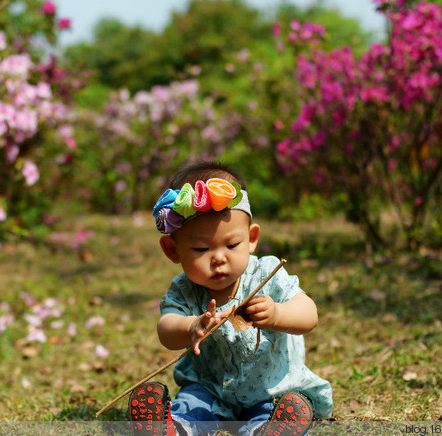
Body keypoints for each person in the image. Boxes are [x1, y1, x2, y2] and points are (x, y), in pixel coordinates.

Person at [129, 162, 333, 436]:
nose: (219, 258)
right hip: (209, 387)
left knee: (270, 412)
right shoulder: (184, 289)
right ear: (172, 250)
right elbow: (166, 328)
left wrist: (277, 315)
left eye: (232, 245)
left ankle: (271, 429)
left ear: (251, 238)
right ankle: (171, 429)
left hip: (270, 388)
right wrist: (192, 327)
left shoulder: (267, 274)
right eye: (201, 248)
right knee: (192, 406)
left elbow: (309, 314)